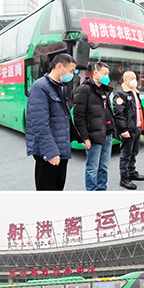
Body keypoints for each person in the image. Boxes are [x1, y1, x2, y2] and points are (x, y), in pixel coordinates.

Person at [25, 53, 78, 190]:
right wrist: (51, 152)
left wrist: (79, 137)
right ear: (59, 66)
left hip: (61, 149)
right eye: (71, 70)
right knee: (47, 191)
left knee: (58, 188)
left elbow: (63, 117)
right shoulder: (40, 87)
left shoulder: (60, 87)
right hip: (48, 153)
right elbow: (39, 123)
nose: (72, 74)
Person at [73, 62, 116, 191]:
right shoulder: (84, 89)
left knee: (104, 167)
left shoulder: (104, 89)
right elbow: (78, 116)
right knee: (92, 167)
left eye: (108, 74)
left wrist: (113, 132)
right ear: (95, 73)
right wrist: (84, 138)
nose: (107, 76)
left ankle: (102, 189)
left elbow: (108, 113)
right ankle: (92, 192)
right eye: (105, 73)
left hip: (107, 134)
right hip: (93, 136)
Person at [113, 71, 144, 190]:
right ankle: (124, 177)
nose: (135, 80)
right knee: (126, 154)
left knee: (134, 152)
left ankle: (132, 172)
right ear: (126, 80)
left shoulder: (134, 92)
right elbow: (119, 114)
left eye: (135, 77)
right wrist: (123, 129)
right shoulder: (121, 93)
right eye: (132, 78)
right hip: (128, 129)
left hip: (136, 127)